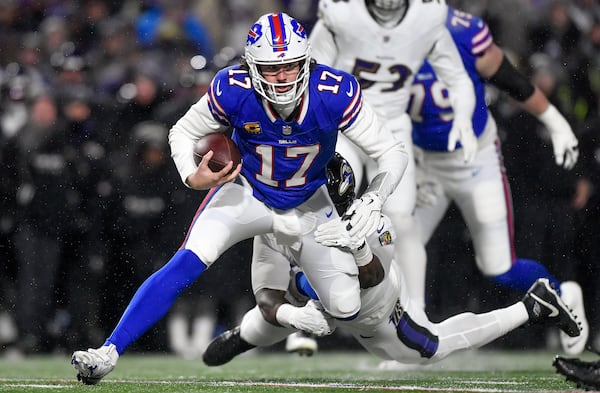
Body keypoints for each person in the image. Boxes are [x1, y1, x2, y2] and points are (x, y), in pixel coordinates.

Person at [71, 12, 408, 384]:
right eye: (270, 69)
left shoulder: (334, 92)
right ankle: (108, 351)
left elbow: (392, 151)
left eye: (290, 66)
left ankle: (298, 286)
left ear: (307, 61)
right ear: (252, 67)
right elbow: (183, 131)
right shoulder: (232, 87)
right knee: (187, 260)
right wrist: (191, 174)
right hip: (246, 192)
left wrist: (374, 198)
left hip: (310, 199)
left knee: (345, 306)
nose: (281, 78)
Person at [201, 153, 582, 367]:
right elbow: (268, 294)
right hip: (310, 301)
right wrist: (290, 313)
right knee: (265, 325)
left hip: (372, 306)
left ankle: (534, 305)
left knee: (427, 349)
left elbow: (369, 277)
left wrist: (358, 247)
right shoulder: (276, 221)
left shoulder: (370, 220)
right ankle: (243, 337)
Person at [405, 7, 587, 354]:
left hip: (475, 159)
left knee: (499, 266)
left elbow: (511, 80)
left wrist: (555, 121)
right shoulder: (372, 38)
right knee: (400, 247)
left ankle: (563, 296)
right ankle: (408, 335)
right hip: (423, 161)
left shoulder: (462, 32)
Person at [308, 0, 478, 310]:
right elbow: (310, 76)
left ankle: (415, 311)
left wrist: (464, 118)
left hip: (391, 130)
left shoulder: (428, 16)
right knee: (325, 210)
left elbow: (457, 78)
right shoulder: (341, 13)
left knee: (402, 220)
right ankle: (311, 303)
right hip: (346, 125)